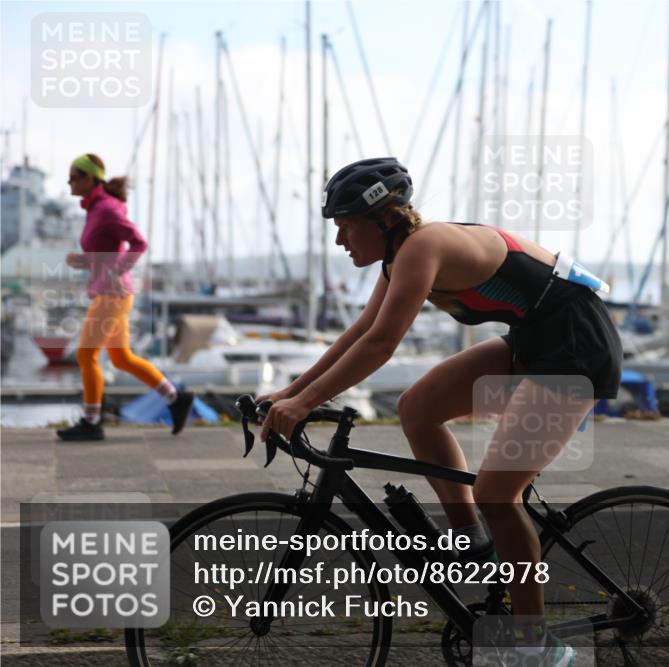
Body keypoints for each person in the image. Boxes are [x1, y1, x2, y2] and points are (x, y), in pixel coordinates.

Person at [257, 157, 622, 666]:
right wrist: (288, 393)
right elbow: (359, 332)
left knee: (498, 492)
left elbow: (383, 343)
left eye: (344, 226)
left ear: (380, 219)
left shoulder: (423, 246)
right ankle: (472, 542)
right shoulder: (398, 255)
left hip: (577, 347)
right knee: (417, 408)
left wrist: (305, 403)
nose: (339, 240)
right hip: (534, 342)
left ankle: (536, 647)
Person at [58, 153, 193, 441]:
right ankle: (175, 398)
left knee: (86, 354)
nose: (68, 181)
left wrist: (118, 272)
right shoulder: (95, 209)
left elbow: (138, 242)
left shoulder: (106, 209)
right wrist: (84, 262)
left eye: (74, 175)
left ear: (90, 178)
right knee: (121, 357)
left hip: (112, 293)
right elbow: (108, 252)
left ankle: (91, 422)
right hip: (111, 293)